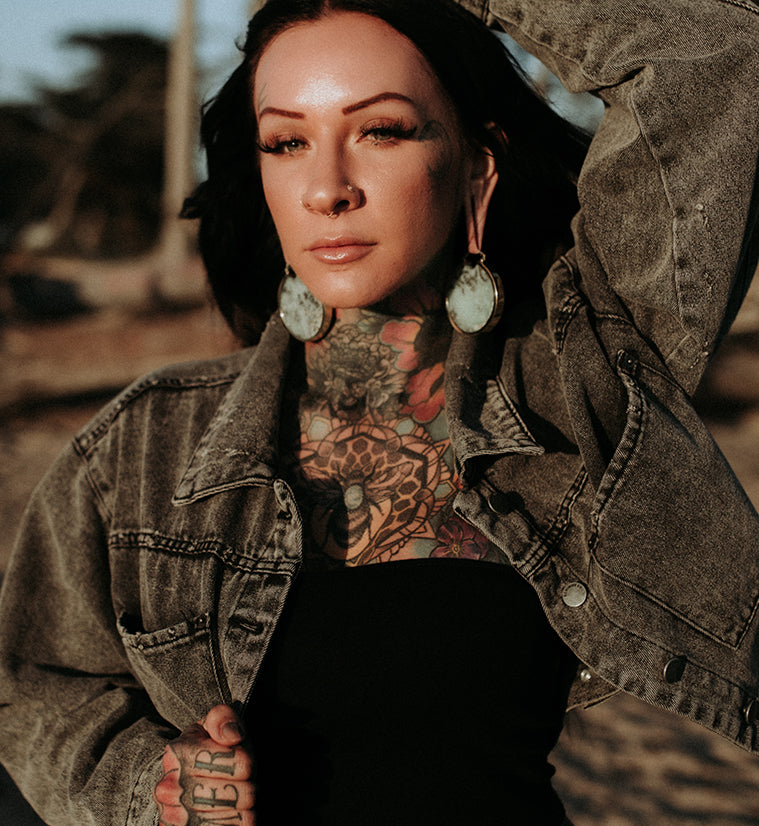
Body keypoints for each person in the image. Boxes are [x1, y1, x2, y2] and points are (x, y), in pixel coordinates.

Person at [0, 0, 758, 824]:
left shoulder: (574, 382)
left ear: (476, 169)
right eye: (286, 143)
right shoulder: (142, 447)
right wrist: (150, 787)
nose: (327, 189)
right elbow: (37, 684)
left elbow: (718, 52)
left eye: (381, 131)